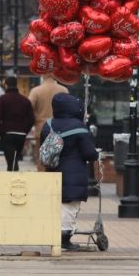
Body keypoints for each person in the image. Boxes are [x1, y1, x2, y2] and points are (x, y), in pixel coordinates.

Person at [41, 93, 99, 250]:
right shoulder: (78, 126)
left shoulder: (48, 124)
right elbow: (89, 153)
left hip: (52, 172)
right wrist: (96, 154)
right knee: (70, 206)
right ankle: (64, 239)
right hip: (73, 173)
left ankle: (54, 235)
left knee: (57, 205)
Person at [0, 76, 35, 171]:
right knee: (14, 158)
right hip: (21, 134)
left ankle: (13, 181)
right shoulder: (25, 100)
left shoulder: (2, 100)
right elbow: (31, 119)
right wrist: (25, 130)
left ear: (6, 85)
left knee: (11, 159)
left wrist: (0, 131)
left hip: (7, 133)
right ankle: (13, 177)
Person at [28, 74, 68, 164]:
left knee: (41, 158)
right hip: (60, 129)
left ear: (43, 76)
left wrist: (35, 118)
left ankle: (42, 175)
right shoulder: (63, 90)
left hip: (41, 128)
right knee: (58, 157)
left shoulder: (36, 91)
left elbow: (28, 108)